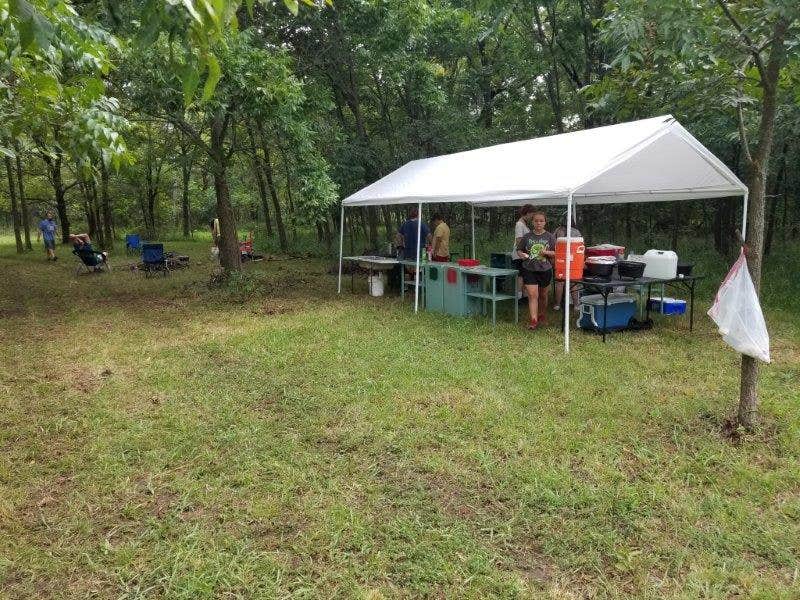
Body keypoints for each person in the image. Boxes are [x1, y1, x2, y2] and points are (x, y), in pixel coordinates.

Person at [516, 211, 555, 330]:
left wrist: (546, 252)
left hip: (545, 269)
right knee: (533, 295)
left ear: (545, 222)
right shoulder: (527, 236)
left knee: (543, 295)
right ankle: (533, 320)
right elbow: (519, 250)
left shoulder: (550, 236)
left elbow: (555, 253)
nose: (538, 223)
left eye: (541, 221)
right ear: (532, 222)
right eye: (536, 221)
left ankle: (542, 315)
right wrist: (521, 254)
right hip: (529, 268)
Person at [553, 214, 583, 313]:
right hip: (573, 259)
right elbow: (580, 245)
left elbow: (553, 245)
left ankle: (557, 305)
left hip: (561, 259)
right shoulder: (576, 231)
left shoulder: (558, 230)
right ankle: (576, 305)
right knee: (574, 282)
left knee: (560, 282)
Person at [511, 204, 535, 300]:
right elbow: (519, 241)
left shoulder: (524, 224)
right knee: (521, 276)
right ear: (528, 213)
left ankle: (524, 295)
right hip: (519, 255)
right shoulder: (519, 224)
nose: (532, 217)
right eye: (532, 215)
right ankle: (519, 297)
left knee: (525, 275)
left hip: (524, 254)